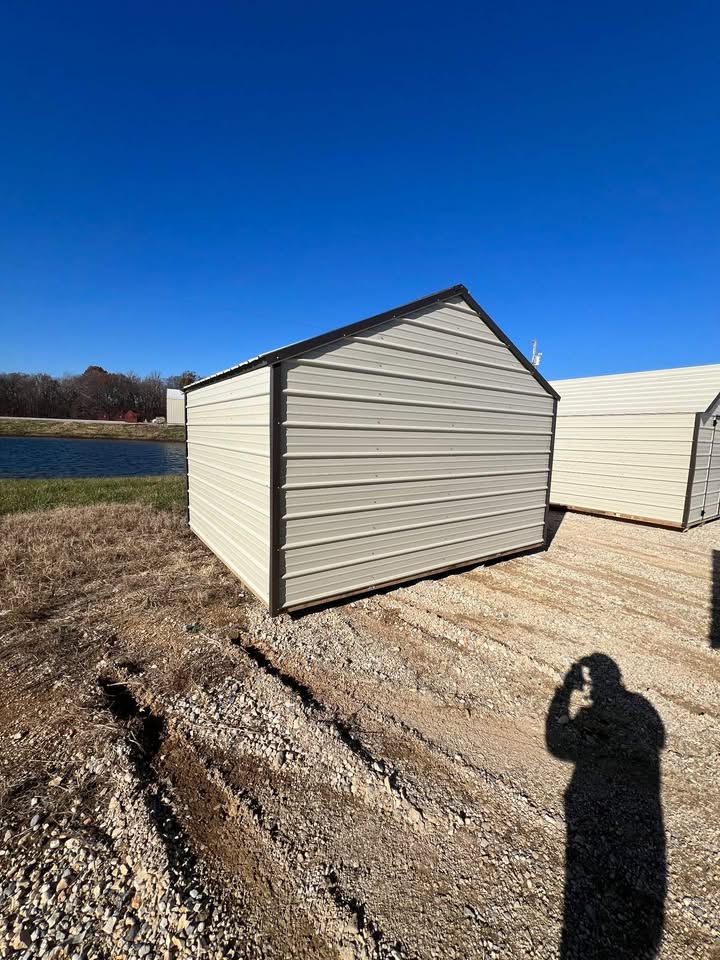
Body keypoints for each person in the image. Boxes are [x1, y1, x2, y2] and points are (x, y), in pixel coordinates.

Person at [546, 654, 666, 959]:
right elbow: (658, 738)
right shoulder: (642, 709)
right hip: (641, 823)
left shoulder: (635, 710)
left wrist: (564, 692)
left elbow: (557, 744)